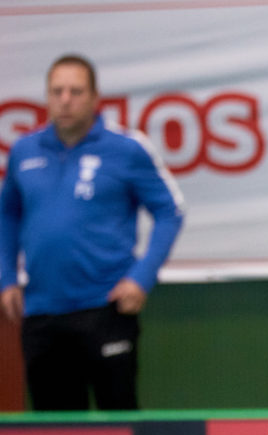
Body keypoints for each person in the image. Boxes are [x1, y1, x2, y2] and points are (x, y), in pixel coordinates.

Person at [0, 54, 185, 411]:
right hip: (40, 312)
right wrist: (7, 277)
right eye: (57, 91)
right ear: (47, 97)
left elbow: (171, 211)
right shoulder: (24, 150)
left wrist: (141, 278)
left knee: (119, 427)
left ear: (95, 97)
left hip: (106, 307)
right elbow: (7, 213)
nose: (65, 99)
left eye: (75, 91)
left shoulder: (127, 148)